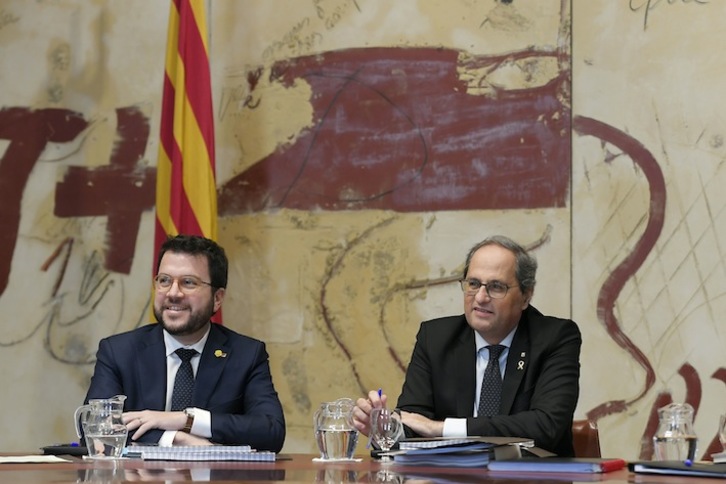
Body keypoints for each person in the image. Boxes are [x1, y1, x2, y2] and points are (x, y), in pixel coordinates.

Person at [352, 235, 581, 456]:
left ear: (525, 296)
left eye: (496, 287)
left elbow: (546, 426)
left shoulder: (555, 337)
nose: (481, 297)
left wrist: (442, 429)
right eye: (473, 284)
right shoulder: (435, 339)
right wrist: (388, 430)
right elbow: (414, 420)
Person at [83, 234, 286, 452]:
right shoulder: (119, 351)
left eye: (188, 283)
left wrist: (186, 420)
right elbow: (96, 425)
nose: (173, 293)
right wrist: (175, 439)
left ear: (217, 298)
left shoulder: (246, 354)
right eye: (164, 280)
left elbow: (270, 431)